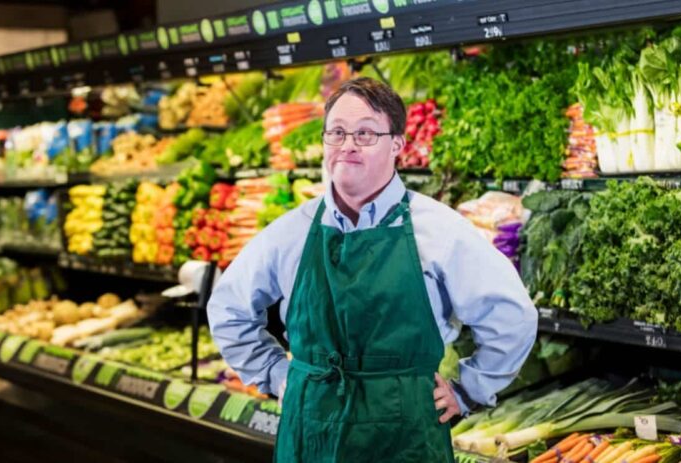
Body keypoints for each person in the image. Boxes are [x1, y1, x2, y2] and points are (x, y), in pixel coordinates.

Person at [207, 77, 538, 462]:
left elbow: (513, 317)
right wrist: (275, 375)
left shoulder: (439, 230)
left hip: (405, 437)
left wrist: (469, 390)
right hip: (311, 434)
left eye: (365, 133)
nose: (347, 145)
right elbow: (227, 310)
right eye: (337, 133)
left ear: (397, 144)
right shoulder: (290, 232)